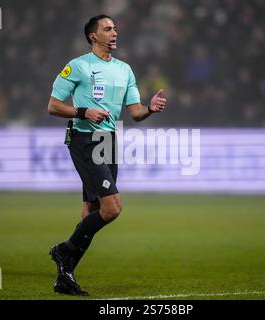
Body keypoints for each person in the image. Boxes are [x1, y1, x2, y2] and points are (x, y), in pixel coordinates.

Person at [47, 14, 167, 296]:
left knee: (91, 209)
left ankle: (65, 276)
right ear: (93, 36)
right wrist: (82, 111)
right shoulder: (77, 66)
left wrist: (149, 108)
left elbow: (135, 112)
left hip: (108, 139)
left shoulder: (124, 70)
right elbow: (52, 106)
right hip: (84, 138)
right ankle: (64, 251)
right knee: (111, 208)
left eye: (115, 28)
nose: (114, 32)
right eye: (107, 28)